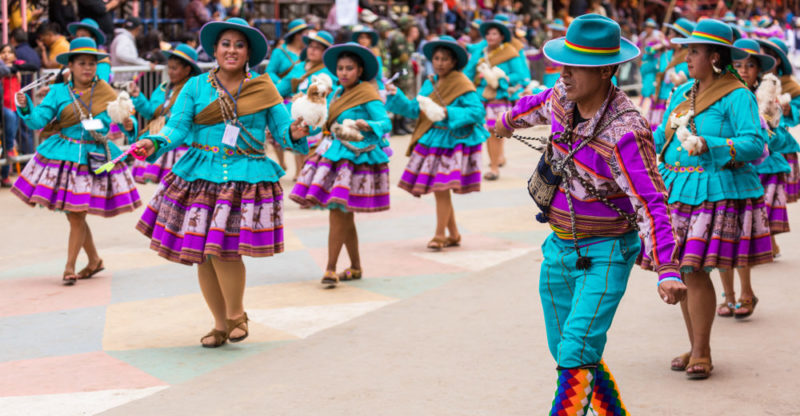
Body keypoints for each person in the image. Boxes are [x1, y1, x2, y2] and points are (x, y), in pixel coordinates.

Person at [495, 14, 685, 413]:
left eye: (575, 67)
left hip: (608, 251)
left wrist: (667, 267)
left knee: (577, 347)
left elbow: (651, 201)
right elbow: (537, 105)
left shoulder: (626, 133)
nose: (563, 74)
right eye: (563, 63)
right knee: (570, 351)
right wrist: (506, 121)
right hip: (559, 247)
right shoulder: (563, 97)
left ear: (606, 71)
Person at [133, 18, 310, 348]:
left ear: (248, 53)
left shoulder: (264, 87)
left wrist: (297, 133)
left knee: (226, 250)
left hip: (244, 177)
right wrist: (154, 142)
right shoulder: (195, 87)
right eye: (225, 44)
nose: (232, 50)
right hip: (200, 176)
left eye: (239, 45)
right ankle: (218, 324)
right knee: (203, 253)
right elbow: (177, 128)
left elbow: (284, 131)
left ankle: (236, 314)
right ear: (214, 49)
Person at [650, 19, 770, 379]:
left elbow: (753, 143)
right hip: (677, 191)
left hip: (713, 192)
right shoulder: (683, 92)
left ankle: (702, 350)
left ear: (715, 57)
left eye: (694, 51)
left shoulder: (737, 95)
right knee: (683, 270)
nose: (687, 57)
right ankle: (695, 345)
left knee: (694, 269)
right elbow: (661, 135)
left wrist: (710, 145)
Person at [11, 37, 141, 285]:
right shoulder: (58, 92)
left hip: (92, 157)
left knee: (76, 213)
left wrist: (129, 124)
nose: (87, 68)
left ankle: (70, 266)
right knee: (75, 214)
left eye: (92, 63)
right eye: (81, 63)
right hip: (63, 156)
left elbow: (125, 120)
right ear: (70, 65)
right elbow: (38, 121)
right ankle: (93, 261)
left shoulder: (105, 91)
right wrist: (26, 107)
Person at [289, 42, 392, 287]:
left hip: (355, 159)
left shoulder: (368, 93)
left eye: (349, 68)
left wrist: (369, 126)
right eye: (341, 68)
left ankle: (330, 268)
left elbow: (385, 122)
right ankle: (355, 267)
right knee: (344, 216)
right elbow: (325, 120)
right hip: (334, 155)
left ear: (360, 71)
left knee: (339, 213)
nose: (344, 73)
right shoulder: (336, 94)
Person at [386, 35, 487, 249]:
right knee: (441, 189)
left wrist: (446, 112)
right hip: (432, 140)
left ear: (454, 62)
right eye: (437, 58)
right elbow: (416, 109)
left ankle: (440, 235)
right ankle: (454, 234)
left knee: (441, 189)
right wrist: (396, 95)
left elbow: (477, 111)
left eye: (445, 59)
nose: (440, 63)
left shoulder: (462, 83)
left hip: (452, 142)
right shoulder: (430, 82)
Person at [715, 38, 783, 319]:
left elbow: (771, 139)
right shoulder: (719, 94)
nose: (743, 70)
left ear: (758, 71)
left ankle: (746, 292)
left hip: (747, 174)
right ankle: (728, 296)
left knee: (739, 240)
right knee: (719, 239)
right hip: (719, 174)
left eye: (749, 66)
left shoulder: (764, 98)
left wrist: (763, 132)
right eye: (738, 65)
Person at [463, 15, 528, 181]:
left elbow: (519, 74)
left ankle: (495, 162)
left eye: (495, 34)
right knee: (490, 133)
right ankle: (495, 163)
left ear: (501, 37)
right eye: (488, 34)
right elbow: (468, 74)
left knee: (497, 132)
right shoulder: (480, 53)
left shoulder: (510, 52)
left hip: (500, 97)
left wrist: (502, 79)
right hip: (482, 98)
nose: (491, 37)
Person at [129, 43, 202, 184]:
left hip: (179, 146)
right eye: (170, 68)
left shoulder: (193, 92)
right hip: (159, 142)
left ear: (187, 69)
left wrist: (167, 122)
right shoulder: (163, 88)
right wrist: (138, 97)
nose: (170, 72)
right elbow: (151, 112)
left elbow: (184, 120)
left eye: (175, 68)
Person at [277, 30, 336, 180]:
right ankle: (299, 173)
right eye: (311, 46)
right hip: (297, 112)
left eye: (318, 48)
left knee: (312, 148)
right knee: (298, 144)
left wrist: (322, 117)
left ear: (325, 52)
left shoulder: (327, 72)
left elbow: (329, 97)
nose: (312, 50)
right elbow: (283, 87)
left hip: (315, 116)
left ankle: (306, 177)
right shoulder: (299, 67)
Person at [757, 37, 800, 206]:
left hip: (778, 146)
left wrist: (789, 108)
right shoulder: (754, 80)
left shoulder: (790, 85)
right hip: (756, 145)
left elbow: (797, 112)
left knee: (767, 208)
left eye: (768, 55)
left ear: (778, 60)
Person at [650, 18, 695, 129]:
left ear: (679, 38)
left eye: (671, 34)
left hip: (676, 101)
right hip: (659, 98)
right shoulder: (666, 54)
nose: (668, 37)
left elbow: (683, 80)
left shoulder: (688, 58)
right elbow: (655, 69)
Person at [266, 19, 308, 84]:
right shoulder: (279, 52)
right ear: (297, 35)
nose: (308, 37)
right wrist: (281, 83)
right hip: (283, 92)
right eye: (306, 34)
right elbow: (269, 72)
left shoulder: (308, 52)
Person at [542, 18, 566, 88]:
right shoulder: (546, 43)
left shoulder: (564, 44)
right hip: (548, 74)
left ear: (561, 31)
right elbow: (538, 55)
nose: (555, 32)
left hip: (559, 75)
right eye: (554, 30)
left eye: (557, 31)